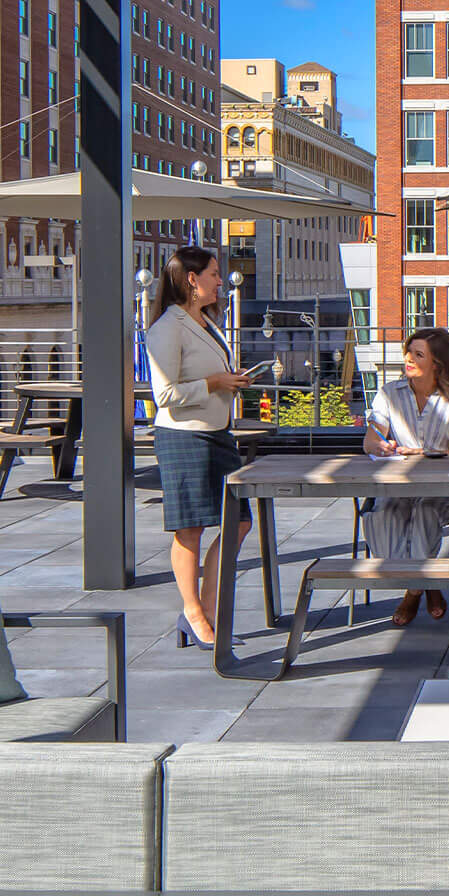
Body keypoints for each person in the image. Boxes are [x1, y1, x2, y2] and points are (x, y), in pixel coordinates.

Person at [142, 247, 252, 649]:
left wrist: (230, 380)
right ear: (192, 279)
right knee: (190, 528)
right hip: (183, 435)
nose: (220, 281)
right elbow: (164, 394)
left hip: (217, 432)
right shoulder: (166, 328)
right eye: (214, 274)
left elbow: (208, 374)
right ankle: (193, 613)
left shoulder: (206, 321)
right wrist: (215, 383)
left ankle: (207, 608)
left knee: (239, 522)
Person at [362, 328, 449, 625]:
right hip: (400, 487)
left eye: (418, 354)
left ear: (437, 363)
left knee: (426, 510)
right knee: (383, 514)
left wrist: (421, 453)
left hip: (447, 488)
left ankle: (411, 593)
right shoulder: (389, 393)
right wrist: (381, 444)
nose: (408, 359)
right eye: (408, 352)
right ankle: (426, 584)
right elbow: (370, 440)